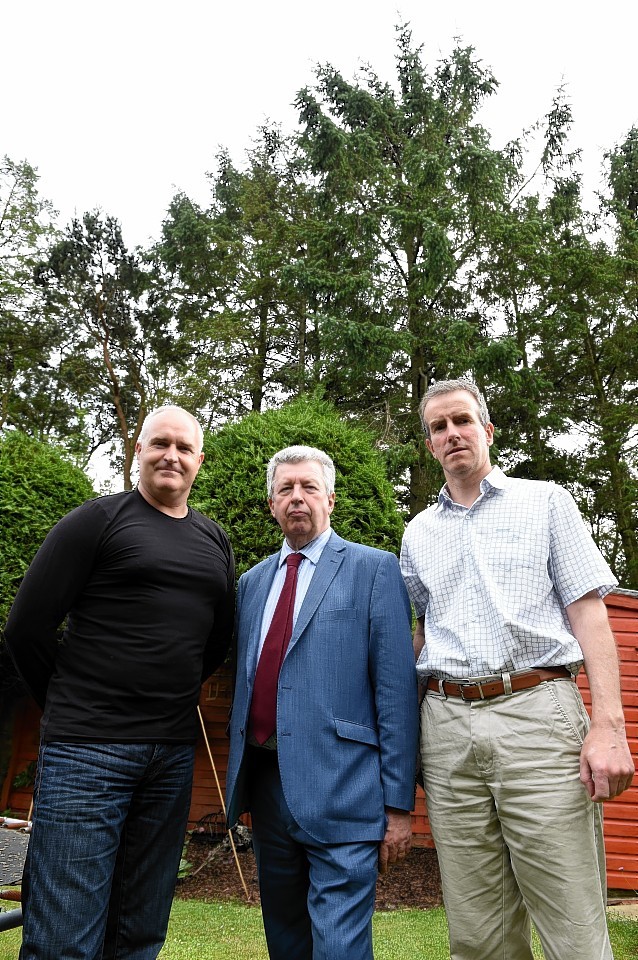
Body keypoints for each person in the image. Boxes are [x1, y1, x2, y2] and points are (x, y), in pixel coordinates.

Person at [400, 378, 635, 960]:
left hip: (537, 715)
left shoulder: (546, 501)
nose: (452, 434)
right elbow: (423, 636)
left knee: (572, 928)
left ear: (487, 430)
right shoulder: (417, 534)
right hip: (448, 727)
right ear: (429, 444)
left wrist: (609, 728)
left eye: (462, 421)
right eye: (438, 427)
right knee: (478, 935)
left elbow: (589, 614)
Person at [4, 406, 235, 960]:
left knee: (138, 930)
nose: (171, 455)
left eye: (184, 447)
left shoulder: (214, 541)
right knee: (64, 934)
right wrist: (70, 699)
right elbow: (25, 628)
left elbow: (214, 644)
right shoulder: (97, 521)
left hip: (171, 758)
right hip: (87, 752)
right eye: (160, 443)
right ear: (138, 450)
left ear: (199, 462)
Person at [225, 445, 418, 960]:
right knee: (285, 938)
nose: (297, 498)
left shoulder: (374, 570)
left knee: (338, 945)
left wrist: (398, 805)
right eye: (285, 489)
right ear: (271, 504)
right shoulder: (250, 584)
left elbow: (396, 694)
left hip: (345, 788)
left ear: (330, 499)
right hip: (267, 785)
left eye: (308, 487)